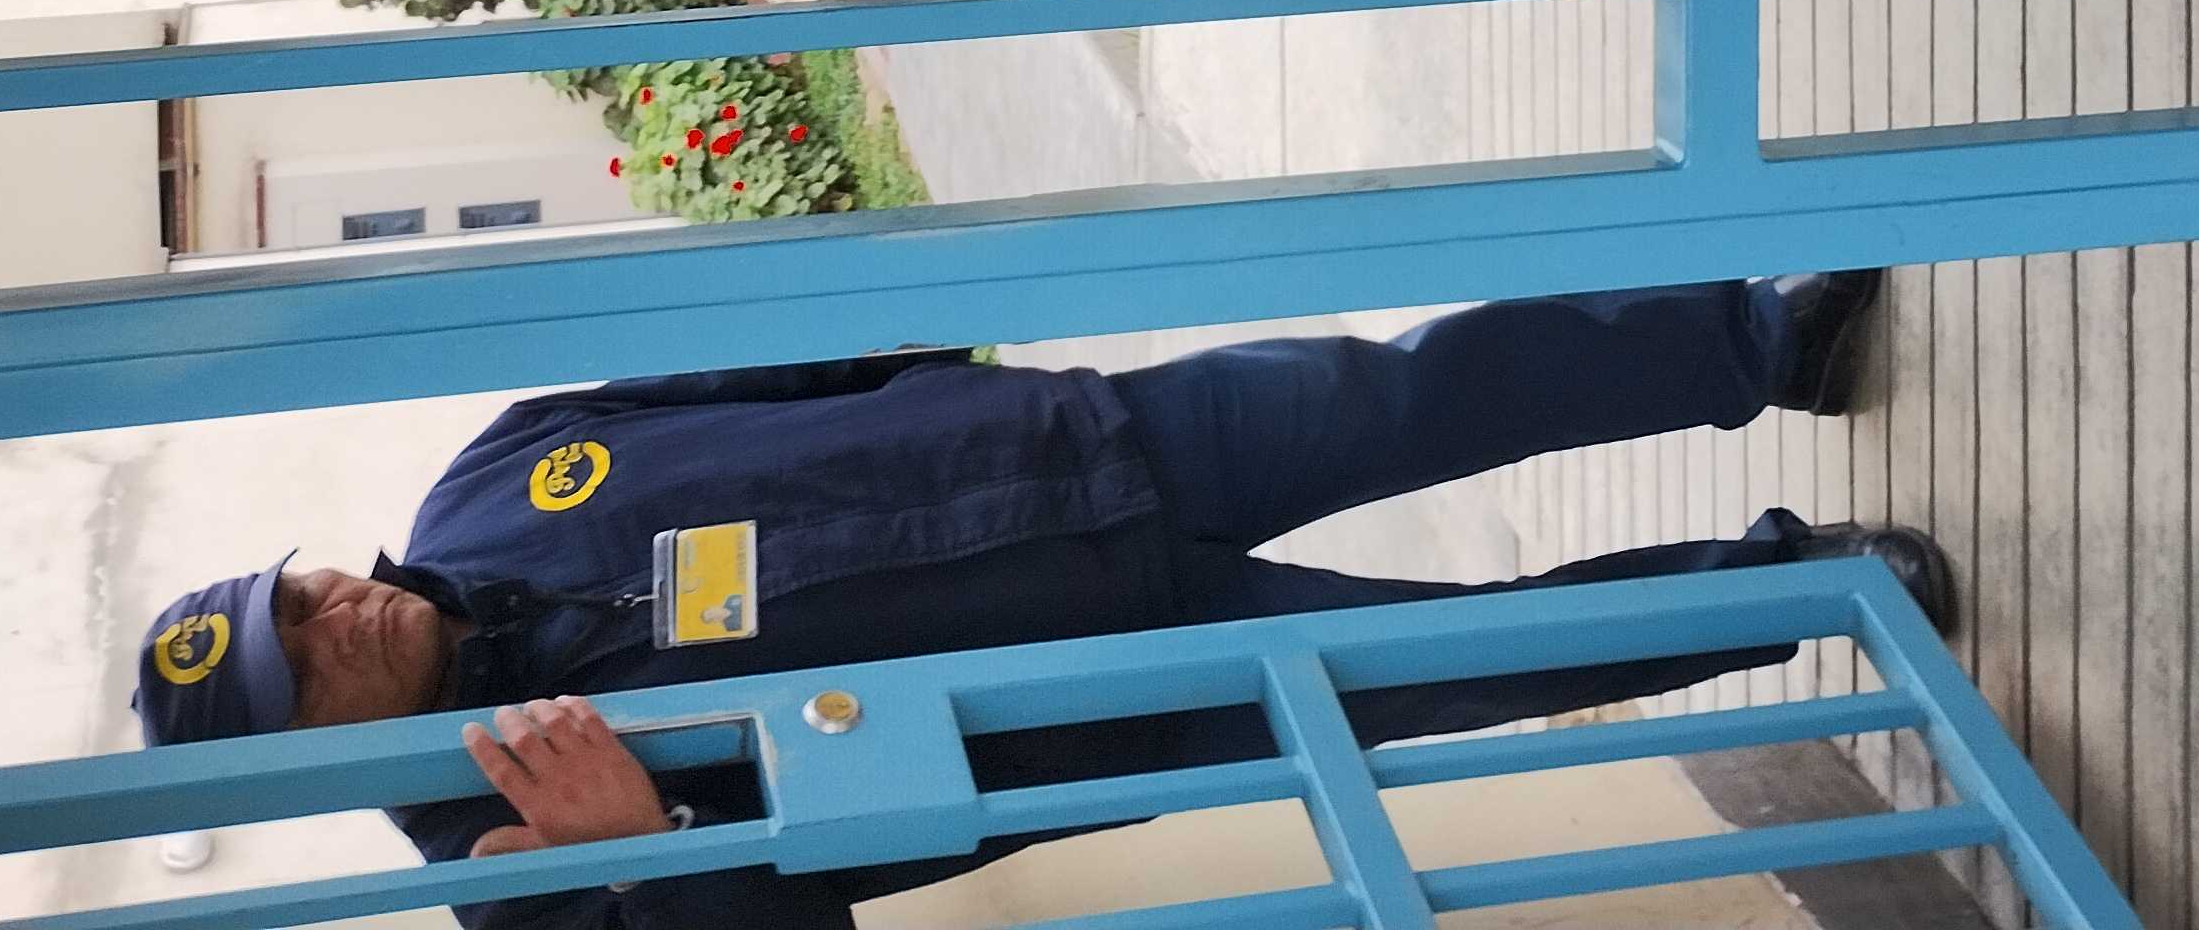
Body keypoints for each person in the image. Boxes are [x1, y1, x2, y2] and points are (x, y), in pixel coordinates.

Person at [129, 279, 1938, 929]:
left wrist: (949, 368)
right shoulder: (506, 872)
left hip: (1085, 455)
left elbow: (752, 385)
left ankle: (1755, 340)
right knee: (1474, 662)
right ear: (297, 752)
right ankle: (1811, 589)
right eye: (305, 662)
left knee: (1419, 388)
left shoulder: (485, 480)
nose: (336, 613)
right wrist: (649, 859)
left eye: (300, 593)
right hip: (1111, 706)